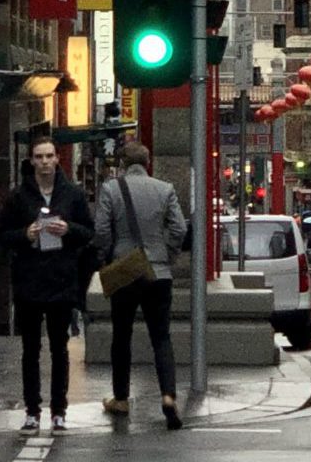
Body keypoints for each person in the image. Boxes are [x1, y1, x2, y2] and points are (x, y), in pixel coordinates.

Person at [0, 139, 93, 434]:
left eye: (49, 156)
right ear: (32, 161)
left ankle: (59, 410)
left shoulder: (73, 194)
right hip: (29, 279)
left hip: (61, 280)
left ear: (57, 159)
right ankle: (32, 410)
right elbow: (1, 233)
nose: (45, 162)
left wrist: (69, 230)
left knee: (59, 349)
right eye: (39, 157)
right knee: (30, 349)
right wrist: (24, 234)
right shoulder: (18, 196)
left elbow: (88, 231)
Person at [93, 144, 188, 430]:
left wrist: (109, 257)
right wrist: (166, 255)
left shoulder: (110, 189)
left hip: (125, 273)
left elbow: (101, 231)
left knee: (121, 335)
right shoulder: (165, 188)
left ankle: (121, 398)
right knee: (161, 337)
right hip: (157, 273)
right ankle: (168, 395)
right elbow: (180, 229)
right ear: (149, 162)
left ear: (123, 164)